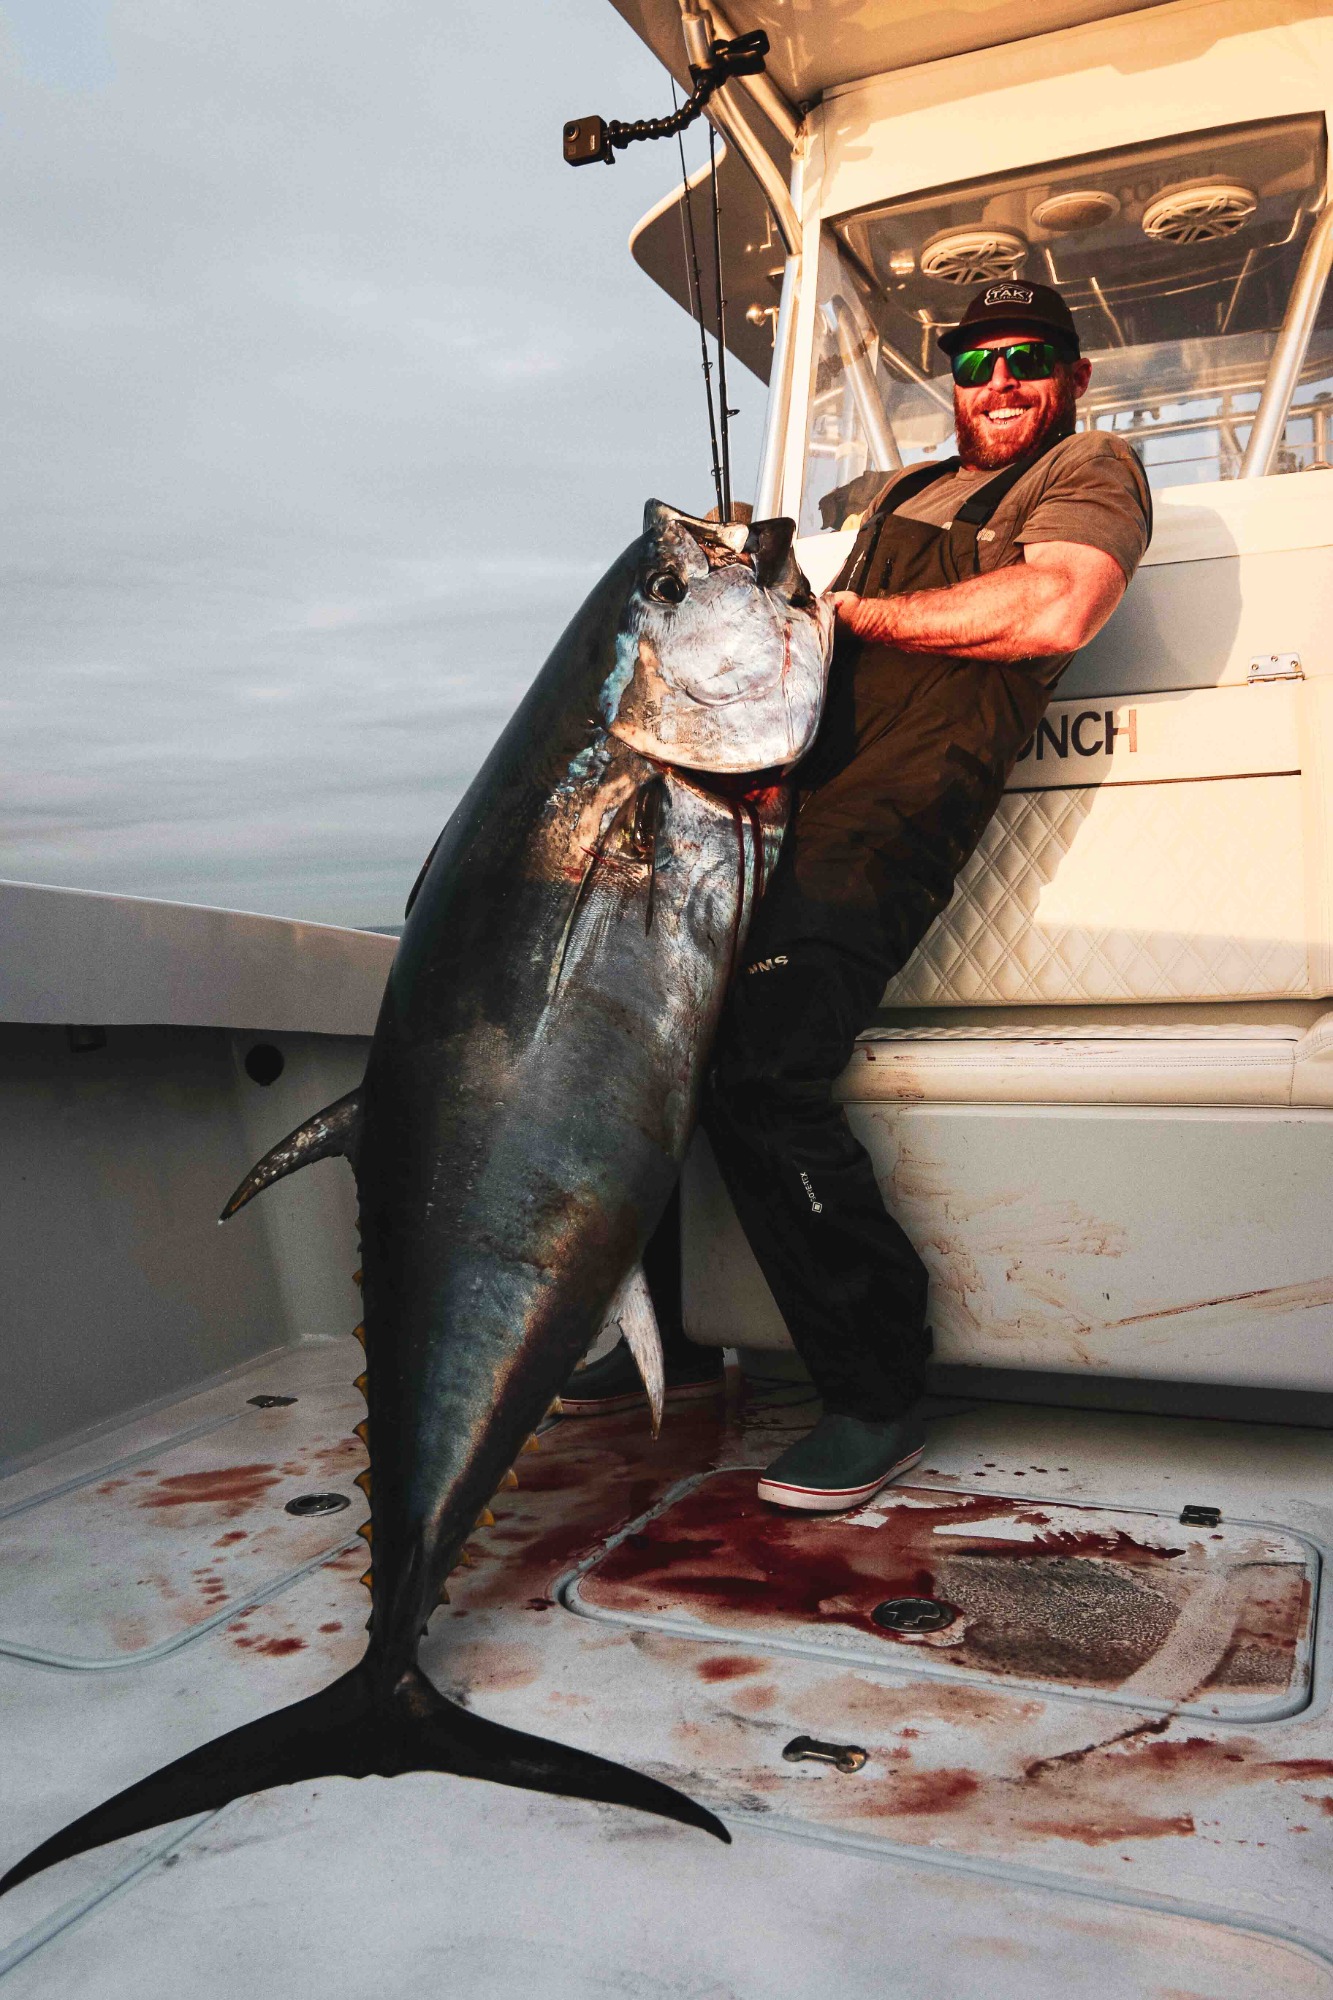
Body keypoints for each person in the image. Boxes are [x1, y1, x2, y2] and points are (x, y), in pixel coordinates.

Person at [564, 279, 1152, 1509]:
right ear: (950, 378)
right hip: (772, 802)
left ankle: (873, 1388)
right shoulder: (884, 497)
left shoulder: (1089, 467)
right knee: (649, 1041)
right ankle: (652, 1328)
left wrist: (849, 615)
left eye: (1028, 359)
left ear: (1073, 376)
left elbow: (1059, 602)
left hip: (890, 810)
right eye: (978, 360)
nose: (1000, 382)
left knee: (765, 1071)